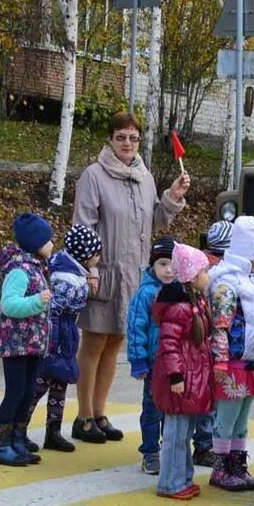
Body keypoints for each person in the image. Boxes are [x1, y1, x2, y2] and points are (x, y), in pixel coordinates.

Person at [72, 111, 190, 445]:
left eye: (133, 138)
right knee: (95, 341)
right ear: (110, 139)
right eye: (121, 137)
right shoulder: (93, 176)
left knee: (115, 342)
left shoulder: (144, 177)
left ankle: (99, 413)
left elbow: (156, 221)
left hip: (135, 275)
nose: (127, 143)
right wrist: (90, 267)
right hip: (103, 272)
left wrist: (173, 196)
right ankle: (83, 416)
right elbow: (83, 227)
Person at [207, 216, 254, 492]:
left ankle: (238, 463)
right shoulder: (226, 284)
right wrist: (220, 359)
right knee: (227, 416)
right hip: (232, 362)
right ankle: (220, 467)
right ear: (251, 255)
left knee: (243, 416)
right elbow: (220, 325)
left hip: (251, 361)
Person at [25, 224, 103, 454]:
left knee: (60, 383)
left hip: (66, 334)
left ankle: (54, 431)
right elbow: (55, 310)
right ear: (86, 254)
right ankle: (19, 427)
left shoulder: (74, 270)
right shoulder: (65, 278)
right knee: (41, 383)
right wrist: (54, 341)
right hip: (57, 336)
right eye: (96, 254)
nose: (98, 259)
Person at [0, 213, 53, 467]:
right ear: (34, 243)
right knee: (14, 392)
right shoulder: (19, 270)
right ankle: (1, 445)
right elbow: (9, 305)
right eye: (48, 240)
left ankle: (18, 437)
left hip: (33, 343)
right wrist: (37, 301)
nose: (52, 244)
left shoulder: (36, 267)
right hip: (16, 344)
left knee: (27, 392)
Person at [150, 244, 213, 500]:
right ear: (193, 276)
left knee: (184, 433)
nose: (208, 276)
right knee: (176, 435)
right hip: (180, 380)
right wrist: (175, 376)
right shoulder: (180, 308)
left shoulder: (195, 303)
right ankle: (170, 483)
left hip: (191, 378)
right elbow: (169, 345)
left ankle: (183, 478)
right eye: (205, 271)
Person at [127, 236, 176, 474]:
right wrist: (138, 361)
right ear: (153, 266)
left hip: (174, 364)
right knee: (152, 409)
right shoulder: (146, 293)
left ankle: (169, 449)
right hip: (153, 363)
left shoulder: (179, 291)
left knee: (172, 409)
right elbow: (136, 328)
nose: (168, 270)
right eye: (163, 264)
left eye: (172, 264)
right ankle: (149, 452)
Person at [194, 220, 234, 466]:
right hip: (212, 347)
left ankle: (202, 442)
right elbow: (220, 322)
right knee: (210, 399)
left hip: (200, 344)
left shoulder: (201, 268)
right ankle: (204, 445)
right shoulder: (219, 276)